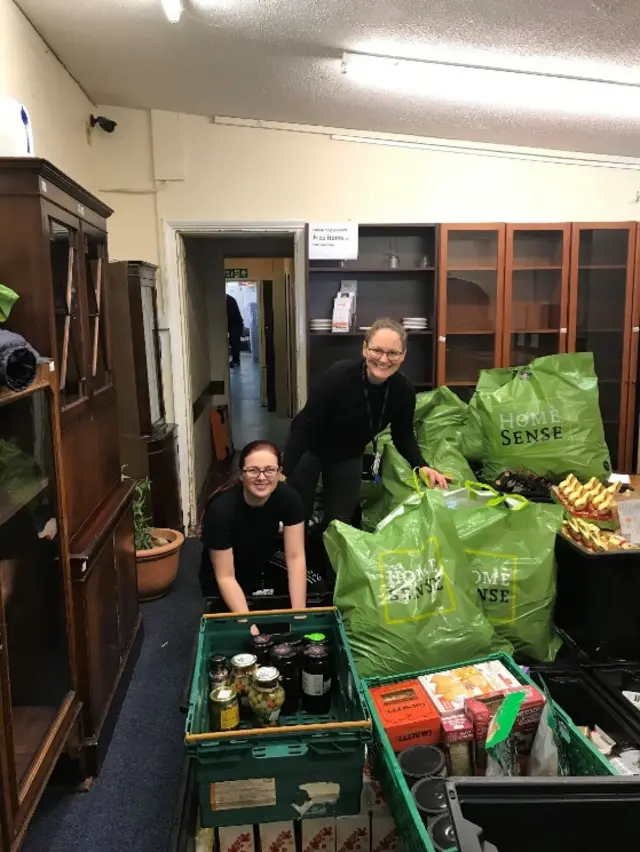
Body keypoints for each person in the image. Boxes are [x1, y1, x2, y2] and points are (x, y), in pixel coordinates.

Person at [284, 317, 448, 531]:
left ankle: (330, 564)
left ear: (403, 355)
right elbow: (304, 425)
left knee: (340, 522)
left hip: (349, 454)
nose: (383, 359)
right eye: (377, 350)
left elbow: (403, 435)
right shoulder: (338, 376)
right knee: (298, 513)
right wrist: (284, 470)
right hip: (310, 448)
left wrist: (421, 465)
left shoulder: (403, 391)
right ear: (364, 349)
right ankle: (298, 561)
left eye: (393, 353)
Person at [199, 440, 307, 621]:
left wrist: (300, 614)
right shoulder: (221, 511)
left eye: (270, 470)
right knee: (239, 631)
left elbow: (295, 556)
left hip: (262, 561)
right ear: (242, 475)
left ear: (279, 473)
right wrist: (249, 627)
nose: (262, 477)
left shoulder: (290, 498)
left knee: (314, 589)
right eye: (253, 470)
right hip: (225, 574)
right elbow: (225, 577)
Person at [226, 293, 244, 367]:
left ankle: (236, 361)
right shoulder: (229, 299)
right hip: (233, 324)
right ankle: (235, 360)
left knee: (234, 342)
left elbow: (229, 313)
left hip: (236, 324)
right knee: (233, 342)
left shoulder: (229, 300)